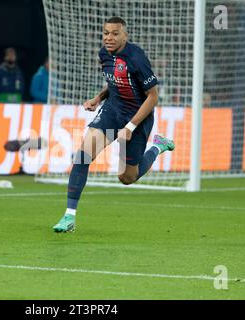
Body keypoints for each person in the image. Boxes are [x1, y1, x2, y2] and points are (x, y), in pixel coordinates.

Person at [53, 17, 175, 233]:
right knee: (82, 156)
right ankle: (69, 216)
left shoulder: (136, 57)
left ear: (125, 35)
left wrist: (130, 127)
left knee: (127, 177)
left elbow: (153, 97)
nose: (109, 37)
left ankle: (158, 146)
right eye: (106, 33)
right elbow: (114, 82)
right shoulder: (104, 54)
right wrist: (97, 98)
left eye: (115, 33)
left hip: (138, 117)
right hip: (112, 111)